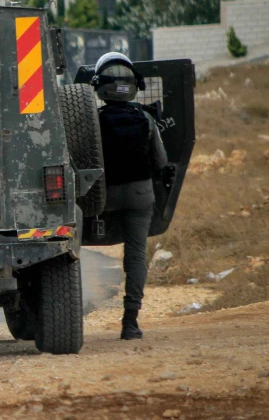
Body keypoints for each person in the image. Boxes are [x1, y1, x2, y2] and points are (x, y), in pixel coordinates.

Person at [92, 52, 168, 341]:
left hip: (102, 197)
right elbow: (160, 162)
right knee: (136, 257)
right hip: (140, 195)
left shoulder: (92, 119)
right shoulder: (145, 119)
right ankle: (130, 322)